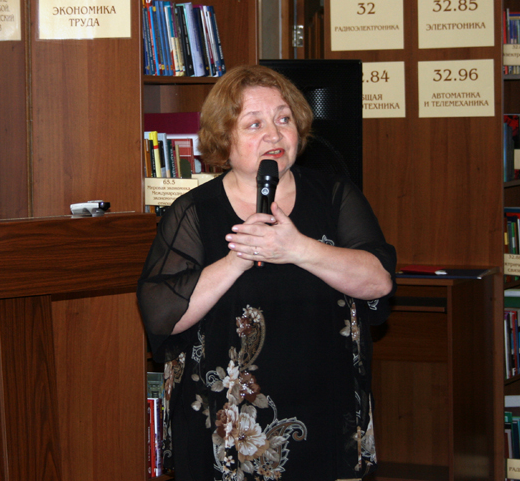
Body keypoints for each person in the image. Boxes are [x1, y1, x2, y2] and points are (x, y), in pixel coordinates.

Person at [137, 64, 396, 481]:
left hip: (326, 413)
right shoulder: (194, 212)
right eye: (254, 124)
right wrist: (237, 259)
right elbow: (162, 314)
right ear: (225, 138)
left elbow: (379, 281)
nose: (274, 135)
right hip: (227, 425)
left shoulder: (334, 195)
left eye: (284, 119)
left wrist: (298, 248)